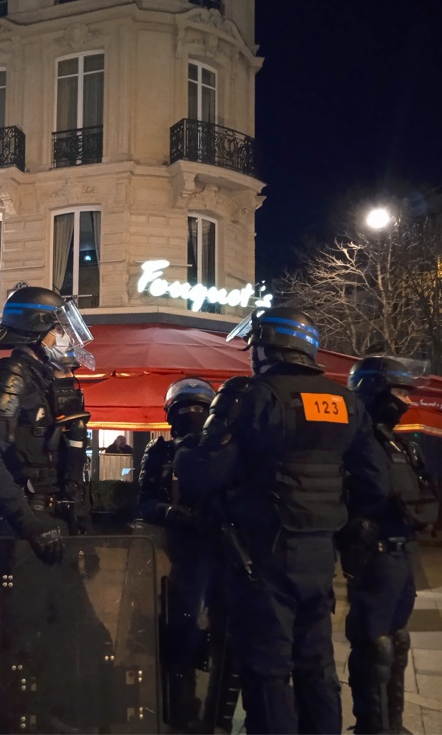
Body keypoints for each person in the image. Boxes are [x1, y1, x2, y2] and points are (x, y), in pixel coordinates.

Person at [176, 307, 390, 734]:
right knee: (316, 668)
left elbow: (203, 473)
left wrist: (185, 451)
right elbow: (377, 483)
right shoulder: (344, 401)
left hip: (263, 557)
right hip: (319, 555)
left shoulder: (251, 395)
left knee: (268, 672)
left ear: (270, 347)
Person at [0, 286, 113, 733]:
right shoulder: (11, 374)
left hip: (54, 529)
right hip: (28, 536)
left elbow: (67, 460)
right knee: (19, 643)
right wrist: (28, 521)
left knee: (73, 637)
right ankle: (8, 724)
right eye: (61, 328)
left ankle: (49, 719)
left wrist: (80, 528)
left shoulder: (48, 378)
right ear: (40, 330)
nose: (69, 338)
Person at [342, 356, 438, 734]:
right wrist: (350, 525)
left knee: (397, 641)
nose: (405, 400)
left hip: (403, 551)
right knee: (374, 646)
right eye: (398, 391)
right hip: (374, 556)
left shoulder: (401, 445)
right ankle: (373, 727)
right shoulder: (352, 442)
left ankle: (392, 725)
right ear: (374, 391)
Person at [140, 377, 239, 731]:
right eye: (185, 409)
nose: (192, 415)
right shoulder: (161, 452)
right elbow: (145, 501)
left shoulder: (228, 449)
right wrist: (170, 513)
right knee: (180, 633)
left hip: (226, 551)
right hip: (182, 554)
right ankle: (180, 713)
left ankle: (219, 718)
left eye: (200, 408)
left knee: (230, 639)